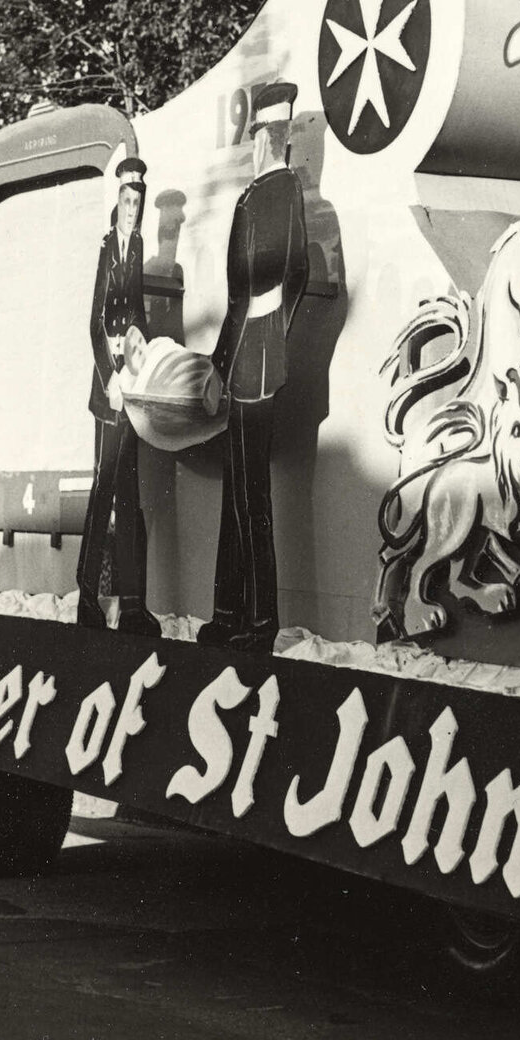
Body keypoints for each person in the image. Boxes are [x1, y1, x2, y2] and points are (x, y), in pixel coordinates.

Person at [209, 81, 311, 651]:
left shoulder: (272, 192)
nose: (255, 147)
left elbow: (259, 286)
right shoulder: (271, 192)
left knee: (250, 498)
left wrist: (234, 354)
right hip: (254, 356)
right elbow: (287, 276)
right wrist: (271, 337)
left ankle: (259, 621)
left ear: (266, 139)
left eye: (257, 139)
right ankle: (229, 613)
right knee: (239, 492)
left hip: (253, 359)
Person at [76, 154, 156, 634]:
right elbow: (94, 323)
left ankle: (131, 605)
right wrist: (110, 375)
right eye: (127, 201)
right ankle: (86, 597)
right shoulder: (109, 247)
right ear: (118, 200)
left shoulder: (138, 245)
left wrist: (143, 355)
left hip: (130, 378)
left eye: (138, 203)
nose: (132, 210)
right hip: (109, 388)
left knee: (129, 494)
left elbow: (137, 313)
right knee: (104, 489)